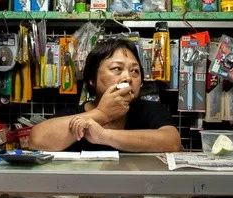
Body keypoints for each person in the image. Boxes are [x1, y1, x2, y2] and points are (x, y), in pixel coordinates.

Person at [28, 38, 182, 153]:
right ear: (92, 79)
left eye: (135, 71)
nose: (128, 77)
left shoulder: (150, 110)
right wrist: (101, 114)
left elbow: (172, 142)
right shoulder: (73, 113)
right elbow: (36, 140)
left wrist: (104, 136)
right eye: (117, 69)